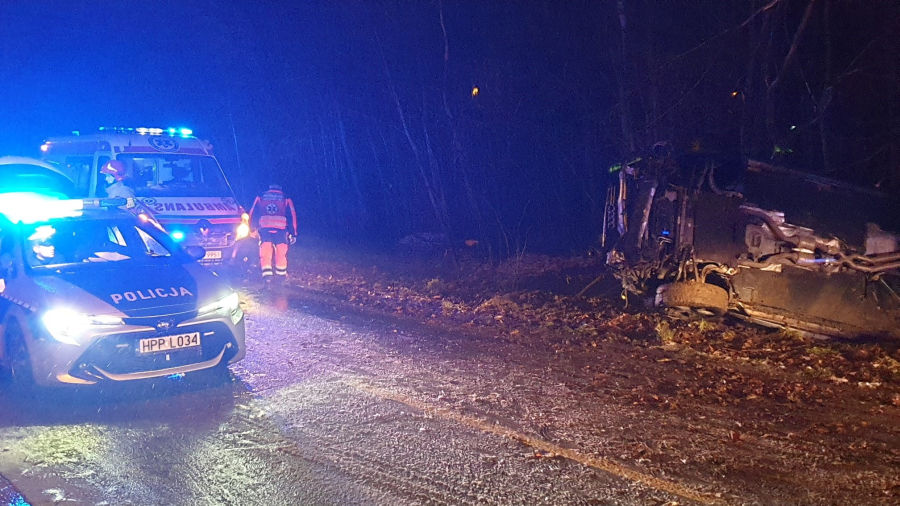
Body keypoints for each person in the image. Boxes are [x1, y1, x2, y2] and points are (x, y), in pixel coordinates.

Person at [249, 184, 298, 280]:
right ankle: (281, 276)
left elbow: (253, 212)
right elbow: (292, 215)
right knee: (281, 252)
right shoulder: (286, 197)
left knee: (265, 252)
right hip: (281, 230)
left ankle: (267, 277)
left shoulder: (261, 195)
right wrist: (293, 233)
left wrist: (252, 229)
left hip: (265, 228)